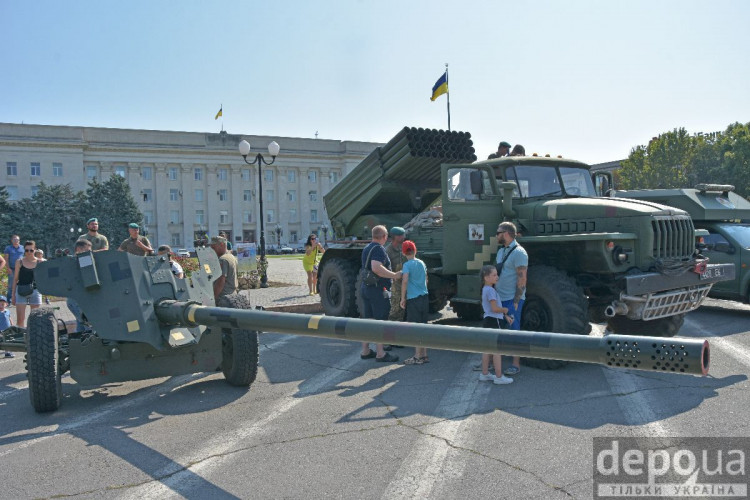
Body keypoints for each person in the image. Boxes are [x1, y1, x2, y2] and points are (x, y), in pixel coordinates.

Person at [359, 225, 402, 363]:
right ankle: (380, 353)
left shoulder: (367, 247)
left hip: (366, 288)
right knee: (380, 321)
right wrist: (394, 275)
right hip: (378, 290)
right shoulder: (378, 249)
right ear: (383, 237)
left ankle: (365, 350)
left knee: (368, 320)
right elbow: (376, 267)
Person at [495, 221, 528, 376]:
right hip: (499, 297)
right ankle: (495, 362)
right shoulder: (501, 251)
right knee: (497, 331)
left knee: (515, 332)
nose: (496, 235)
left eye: (498, 232)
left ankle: (516, 364)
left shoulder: (519, 253)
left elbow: (522, 279)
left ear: (506, 234)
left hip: (511, 299)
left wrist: (516, 301)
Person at [478, 265, 514, 384]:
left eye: (496, 274)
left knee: (487, 349)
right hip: (494, 321)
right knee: (497, 350)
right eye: (494, 275)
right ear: (486, 277)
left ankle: (485, 373)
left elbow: (491, 309)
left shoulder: (485, 289)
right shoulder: (491, 290)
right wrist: (505, 310)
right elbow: (494, 308)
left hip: (488, 320)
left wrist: (505, 316)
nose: (497, 277)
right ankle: (499, 376)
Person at [399, 240, 429, 365]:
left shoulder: (407, 265)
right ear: (415, 250)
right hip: (424, 297)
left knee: (416, 328)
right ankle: (424, 355)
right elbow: (426, 279)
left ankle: (417, 357)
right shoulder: (422, 263)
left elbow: (405, 281)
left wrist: (402, 298)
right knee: (423, 327)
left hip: (413, 299)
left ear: (404, 253)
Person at [12, 240, 42, 328]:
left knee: (35, 318)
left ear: (35, 250)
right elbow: (15, 279)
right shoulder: (19, 262)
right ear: (24, 250)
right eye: (26, 250)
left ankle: (34, 338)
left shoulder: (40, 262)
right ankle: (21, 338)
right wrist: (13, 295)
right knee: (20, 319)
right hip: (21, 290)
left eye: (31, 250)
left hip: (35, 290)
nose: (29, 252)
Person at [67, 239, 93, 332]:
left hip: (77, 300)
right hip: (77, 301)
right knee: (89, 325)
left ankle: (78, 342)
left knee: (81, 326)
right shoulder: (79, 261)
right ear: (78, 249)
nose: (90, 253)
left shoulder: (77, 261)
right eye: (87, 250)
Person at [386, 227, 407, 322]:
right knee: (395, 310)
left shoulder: (403, 248)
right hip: (394, 284)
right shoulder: (388, 251)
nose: (403, 237)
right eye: (401, 235)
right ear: (395, 237)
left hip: (404, 283)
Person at [210, 236, 238, 301]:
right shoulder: (232, 257)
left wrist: (213, 297)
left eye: (213, 247)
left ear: (222, 245)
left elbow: (220, 281)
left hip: (223, 297)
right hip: (233, 294)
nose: (212, 250)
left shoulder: (223, 260)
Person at [3, 235, 24, 302]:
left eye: (17, 239)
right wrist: (8, 268)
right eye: (14, 240)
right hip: (12, 269)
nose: (16, 241)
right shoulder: (8, 248)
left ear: (19, 240)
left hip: (21, 269)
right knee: (11, 285)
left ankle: (21, 299)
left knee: (22, 283)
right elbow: (6, 259)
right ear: (12, 241)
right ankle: (9, 301)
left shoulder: (23, 248)